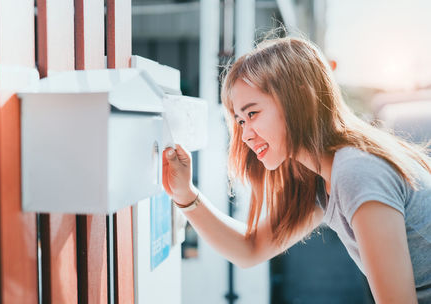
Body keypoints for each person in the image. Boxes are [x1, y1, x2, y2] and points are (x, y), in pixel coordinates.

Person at [162, 36, 431, 303]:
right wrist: (184, 194)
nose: (245, 135)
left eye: (252, 114)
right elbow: (250, 249)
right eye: (240, 121)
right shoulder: (316, 180)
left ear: (301, 97)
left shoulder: (356, 172)